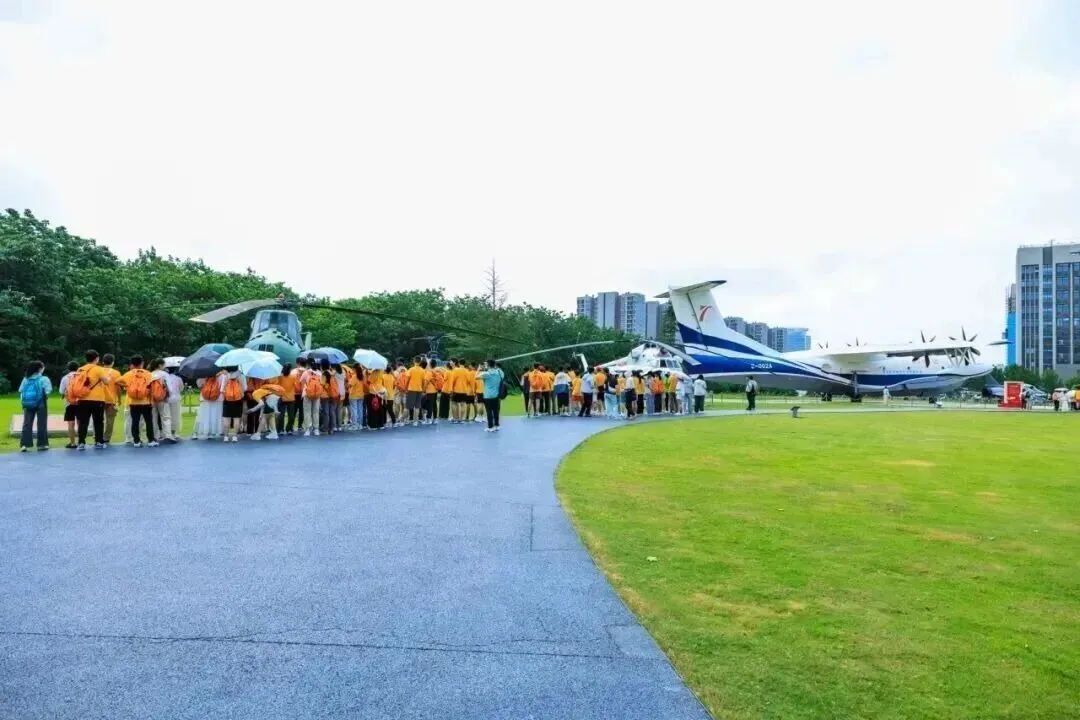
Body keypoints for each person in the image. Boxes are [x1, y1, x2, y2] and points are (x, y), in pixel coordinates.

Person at [68, 349, 112, 450]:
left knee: (83, 422)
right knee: (98, 421)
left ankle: (81, 442)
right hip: (97, 399)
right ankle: (99, 441)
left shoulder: (80, 369)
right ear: (96, 359)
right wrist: (108, 377)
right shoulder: (98, 369)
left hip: (82, 398)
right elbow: (106, 382)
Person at [114, 356, 157, 447]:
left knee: (135, 421)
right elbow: (152, 388)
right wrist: (152, 400)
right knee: (149, 422)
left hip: (133, 402)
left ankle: (136, 441)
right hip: (146, 402)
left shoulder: (129, 374)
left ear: (132, 364)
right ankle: (151, 440)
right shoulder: (148, 374)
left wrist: (127, 386)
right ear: (142, 363)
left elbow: (116, 382)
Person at [18, 360, 53, 452]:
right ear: (40, 369)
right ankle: (42, 444)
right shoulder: (44, 379)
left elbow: (20, 390)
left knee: (27, 423)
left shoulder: (26, 379)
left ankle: (24, 444)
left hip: (27, 403)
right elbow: (48, 390)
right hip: (41, 403)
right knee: (42, 423)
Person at [193, 371, 224, 440]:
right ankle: (212, 433)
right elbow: (223, 388)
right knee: (214, 416)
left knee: (201, 416)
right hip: (217, 398)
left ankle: (195, 433)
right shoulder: (222, 376)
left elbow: (199, 385)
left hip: (204, 398)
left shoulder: (203, 374)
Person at [220, 366, 247, 442]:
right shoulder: (241, 375)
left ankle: (226, 437)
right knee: (236, 418)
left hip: (227, 399)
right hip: (238, 399)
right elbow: (245, 388)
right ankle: (234, 436)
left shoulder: (226, 375)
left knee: (226, 418)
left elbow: (222, 389)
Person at [478, 359, 505, 432]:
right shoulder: (499, 372)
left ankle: (490, 427)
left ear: (488, 365)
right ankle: (497, 425)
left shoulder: (486, 373)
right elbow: (502, 376)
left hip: (488, 395)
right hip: (496, 395)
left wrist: (479, 369)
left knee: (489, 411)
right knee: (496, 411)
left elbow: (476, 377)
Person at [58, 361, 79, 449]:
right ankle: (81, 442)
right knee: (80, 422)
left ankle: (72, 443)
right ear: (78, 368)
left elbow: (61, 391)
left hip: (69, 403)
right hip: (80, 402)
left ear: (68, 368)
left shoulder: (65, 378)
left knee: (71, 423)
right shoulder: (81, 376)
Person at [101, 354, 121, 444]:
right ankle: (106, 438)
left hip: (99, 399)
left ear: (103, 362)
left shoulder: (98, 370)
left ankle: (98, 436)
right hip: (111, 400)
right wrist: (119, 399)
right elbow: (118, 388)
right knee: (110, 420)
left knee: (98, 419)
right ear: (112, 362)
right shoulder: (116, 373)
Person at [163, 366, 184, 441]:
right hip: (176, 399)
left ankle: (167, 433)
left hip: (166, 399)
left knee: (167, 417)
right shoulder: (178, 379)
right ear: (175, 370)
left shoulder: (165, 378)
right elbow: (181, 388)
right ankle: (175, 433)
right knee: (176, 416)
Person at [276, 363, 298, 434]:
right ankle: (289, 429)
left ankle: (280, 429)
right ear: (290, 369)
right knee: (291, 415)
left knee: (281, 414)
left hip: (282, 397)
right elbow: (296, 386)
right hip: (291, 398)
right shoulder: (293, 377)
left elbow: (277, 386)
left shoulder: (280, 377)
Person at [404, 356, 425, 426]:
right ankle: (415, 421)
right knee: (417, 406)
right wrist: (423, 389)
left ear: (414, 361)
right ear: (420, 362)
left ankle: (403, 420)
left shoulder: (411, 370)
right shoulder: (422, 370)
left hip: (411, 389)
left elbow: (407, 380)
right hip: (419, 389)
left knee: (407, 406)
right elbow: (423, 381)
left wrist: (405, 388)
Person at [347, 363, 366, 430]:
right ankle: (360, 424)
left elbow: (349, 385)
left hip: (354, 395)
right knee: (360, 409)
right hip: (361, 394)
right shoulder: (362, 376)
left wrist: (347, 382)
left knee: (354, 410)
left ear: (355, 369)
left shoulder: (354, 376)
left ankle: (354, 425)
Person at [422, 358, 438, 425]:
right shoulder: (436, 371)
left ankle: (428, 419)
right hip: (435, 390)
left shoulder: (429, 372)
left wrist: (423, 390)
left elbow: (426, 382)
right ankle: (435, 419)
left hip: (430, 391)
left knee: (430, 405)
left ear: (430, 364)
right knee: (434, 405)